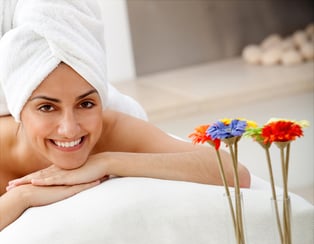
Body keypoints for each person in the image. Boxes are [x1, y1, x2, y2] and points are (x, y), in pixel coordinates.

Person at [0, 23, 250, 231]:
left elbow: (235, 174)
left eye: (86, 104)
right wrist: (21, 198)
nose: (69, 129)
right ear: (19, 109)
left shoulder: (114, 131)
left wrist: (107, 162)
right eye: (46, 107)